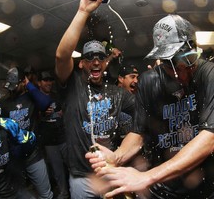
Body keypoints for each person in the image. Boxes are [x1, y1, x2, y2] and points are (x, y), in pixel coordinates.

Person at [86, 14, 214, 199]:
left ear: (194, 49)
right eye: (171, 64)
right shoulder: (149, 81)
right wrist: (117, 156)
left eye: (187, 59)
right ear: (160, 59)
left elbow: (209, 138)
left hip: (204, 188)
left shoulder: (209, 74)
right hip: (163, 189)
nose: (181, 72)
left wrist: (147, 177)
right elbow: (139, 132)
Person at [55, 0, 135, 198]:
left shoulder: (116, 93)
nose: (95, 62)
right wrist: (83, 12)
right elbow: (62, 57)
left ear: (105, 63)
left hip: (110, 171)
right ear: (82, 64)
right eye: (89, 58)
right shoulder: (73, 87)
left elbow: (144, 109)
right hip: (83, 176)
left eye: (100, 57)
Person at [0, 66, 54, 199]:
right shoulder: (4, 102)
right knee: (19, 194)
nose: (11, 90)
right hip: (15, 157)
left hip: (33, 155)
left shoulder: (32, 96)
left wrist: (29, 84)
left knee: (45, 195)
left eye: (15, 86)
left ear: (23, 82)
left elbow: (46, 102)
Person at [35, 71, 70, 199]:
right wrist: (41, 113)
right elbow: (32, 119)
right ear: (39, 83)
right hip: (49, 142)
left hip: (63, 138)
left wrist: (63, 112)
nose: (49, 83)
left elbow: (65, 111)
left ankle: (76, 190)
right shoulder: (35, 99)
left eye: (50, 80)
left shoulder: (56, 96)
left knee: (71, 166)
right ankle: (64, 193)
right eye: (45, 80)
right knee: (57, 171)